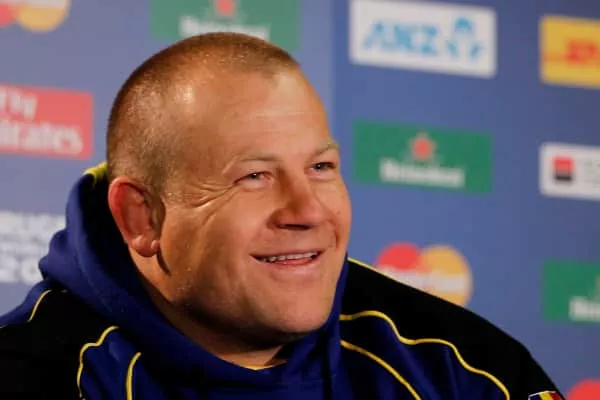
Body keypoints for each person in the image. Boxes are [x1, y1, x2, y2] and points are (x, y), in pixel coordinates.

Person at [0, 32, 563, 400]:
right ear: (141, 219)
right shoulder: (35, 375)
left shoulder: (459, 369)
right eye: (254, 176)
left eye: (321, 167)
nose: (308, 210)